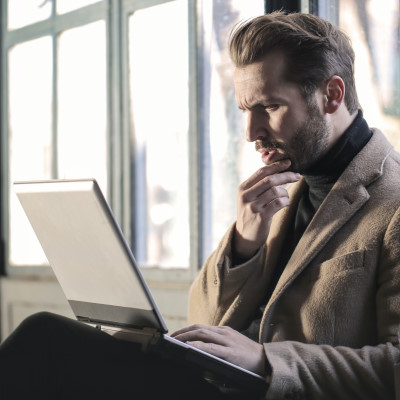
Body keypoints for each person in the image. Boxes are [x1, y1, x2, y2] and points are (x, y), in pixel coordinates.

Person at [1, 11, 399, 400]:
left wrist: (265, 360)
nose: (251, 133)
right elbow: (203, 320)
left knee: (46, 343)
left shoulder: (392, 203)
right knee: (51, 347)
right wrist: (245, 243)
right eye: (246, 110)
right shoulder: (282, 187)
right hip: (211, 382)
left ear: (331, 95)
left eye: (270, 107)